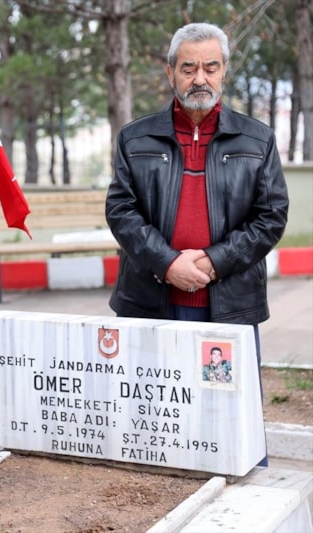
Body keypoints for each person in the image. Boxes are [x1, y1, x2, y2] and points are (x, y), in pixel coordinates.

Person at [105, 23, 288, 465]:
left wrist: (212, 260)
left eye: (210, 67)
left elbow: (271, 216)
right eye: (189, 68)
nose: (200, 78)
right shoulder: (135, 137)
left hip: (227, 307)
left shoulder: (257, 139)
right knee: (152, 419)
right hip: (151, 301)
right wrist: (167, 263)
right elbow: (121, 211)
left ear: (224, 70)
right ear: (170, 72)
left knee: (230, 420)